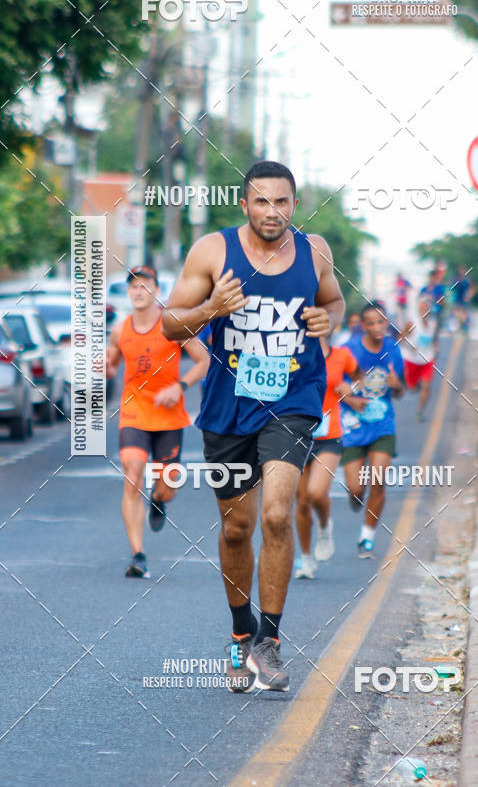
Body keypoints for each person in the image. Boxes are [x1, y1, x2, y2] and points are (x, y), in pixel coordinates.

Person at [162, 160, 345, 693]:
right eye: (261, 201)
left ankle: (270, 641)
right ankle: (241, 634)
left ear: (295, 204)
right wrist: (211, 307)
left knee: (277, 513)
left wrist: (328, 318)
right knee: (237, 528)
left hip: (293, 397)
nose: (272, 211)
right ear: (244, 204)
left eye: (282, 201)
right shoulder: (212, 251)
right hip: (229, 406)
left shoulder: (315, 252)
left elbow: (333, 299)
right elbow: (170, 323)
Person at [106, 265, 209, 579]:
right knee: (132, 475)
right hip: (134, 413)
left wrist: (180, 387)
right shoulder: (120, 329)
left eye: (145, 285)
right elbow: (112, 365)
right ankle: (138, 554)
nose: (139, 291)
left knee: (168, 487)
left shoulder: (173, 325)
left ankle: (159, 500)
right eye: (134, 286)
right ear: (129, 292)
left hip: (169, 417)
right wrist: (104, 368)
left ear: (156, 290)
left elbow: (204, 361)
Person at [340, 302, 404, 558]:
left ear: (387, 323)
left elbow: (400, 393)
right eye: (372, 323)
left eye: (381, 322)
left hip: (382, 425)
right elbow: (334, 385)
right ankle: (355, 496)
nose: (377, 327)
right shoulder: (349, 350)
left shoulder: (393, 350)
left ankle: (367, 537)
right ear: (363, 326)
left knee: (378, 481)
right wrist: (350, 400)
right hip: (353, 426)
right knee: (356, 489)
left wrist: (396, 384)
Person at [294, 336, 360, 579]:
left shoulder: (341, 355)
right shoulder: (292, 354)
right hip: (297, 434)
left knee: (316, 492)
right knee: (301, 501)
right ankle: (306, 559)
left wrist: (352, 389)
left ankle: (323, 526)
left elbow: (361, 378)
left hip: (328, 436)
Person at [400, 296, 436, 422]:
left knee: (427, 386)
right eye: (422, 309)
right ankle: (414, 385)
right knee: (412, 387)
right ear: (418, 310)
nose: (425, 312)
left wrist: (435, 348)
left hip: (427, 359)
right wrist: (409, 346)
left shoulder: (432, 324)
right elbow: (401, 337)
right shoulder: (412, 323)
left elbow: (433, 340)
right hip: (411, 359)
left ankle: (420, 412)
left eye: (427, 309)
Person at [452, 266, 474, 332]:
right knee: (457, 313)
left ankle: (465, 327)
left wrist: (469, 295)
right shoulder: (456, 279)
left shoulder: (467, 280)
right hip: (458, 299)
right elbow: (453, 288)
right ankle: (457, 326)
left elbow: (472, 288)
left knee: (464, 314)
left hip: (464, 300)